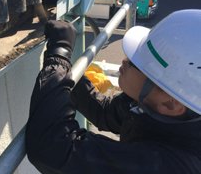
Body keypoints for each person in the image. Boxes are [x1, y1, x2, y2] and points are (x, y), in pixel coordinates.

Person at [25, 9, 201, 174]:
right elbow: (105, 112)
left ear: (169, 104)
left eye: (135, 63)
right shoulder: (159, 110)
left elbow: (55, 148)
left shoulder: (169, 166)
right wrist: (66, 70)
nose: (124, 60)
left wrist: (59, 54)